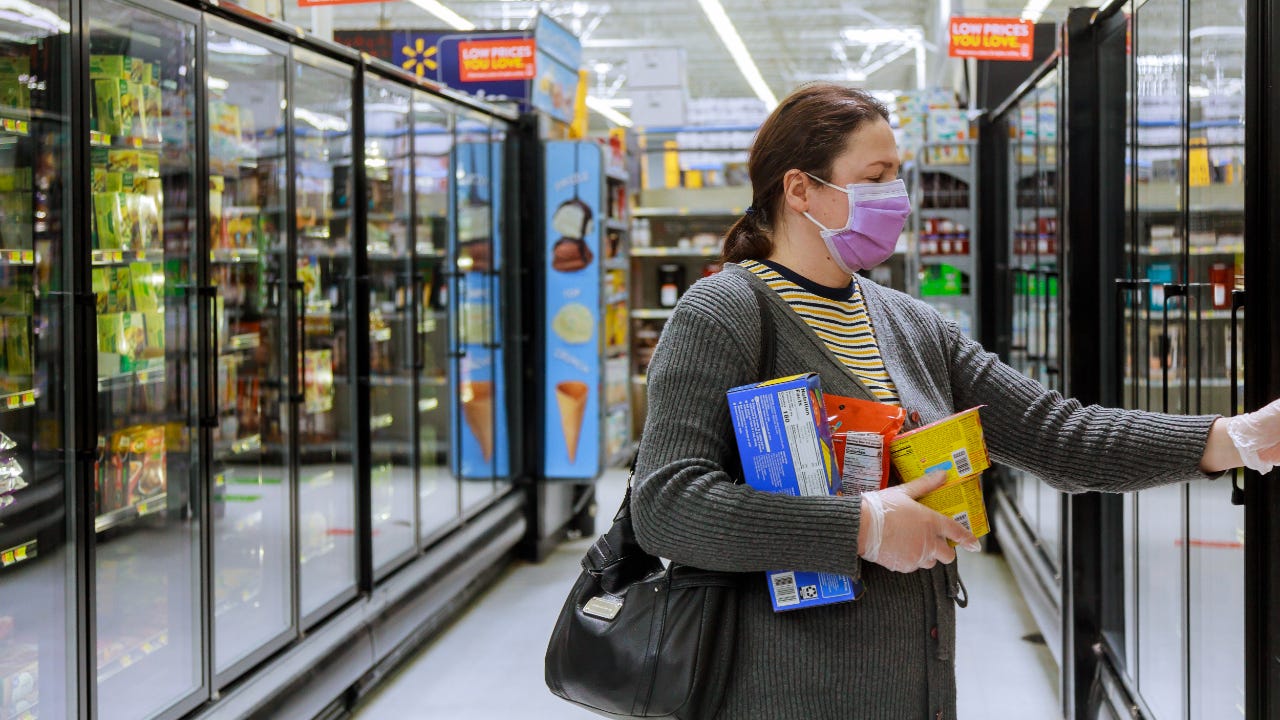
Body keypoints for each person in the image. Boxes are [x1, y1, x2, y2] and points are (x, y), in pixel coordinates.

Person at [629, 82, 1280, 719]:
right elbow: (665, 504)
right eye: (877, 175)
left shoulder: (910, 324)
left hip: (917, 684)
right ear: (800, 190)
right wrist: (863, 526)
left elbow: (1057, 433)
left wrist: (1233, 438)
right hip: (783, 690)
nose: (897, 198)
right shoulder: (723, 314)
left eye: (898, 177)